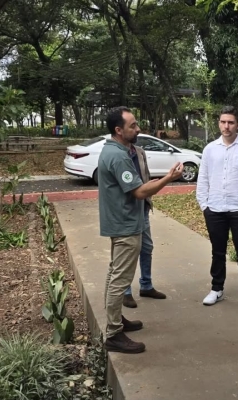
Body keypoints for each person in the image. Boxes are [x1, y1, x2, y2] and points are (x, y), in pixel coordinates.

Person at [98, 106, 182, 353]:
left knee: (115, 273)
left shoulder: (117, 150)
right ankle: (114, 333)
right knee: (120, 279)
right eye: (132, 125)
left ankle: (116, 320)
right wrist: (168, 178)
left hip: (123, 222)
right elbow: (139, 191)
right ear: (118, 130)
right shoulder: (118, 156)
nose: (138, 128)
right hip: (125, 224)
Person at [196, 105, 238, 309]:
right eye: (223, 122)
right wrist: (204, 205)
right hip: (214, 209)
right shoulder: (210, 149)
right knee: (218, 252)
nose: (226, 126)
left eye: (231, 122)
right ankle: (216, 289)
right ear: (219, 123)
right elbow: (203, 178)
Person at [122, 144, 167, 309]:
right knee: (128, 251)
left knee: (146, 247)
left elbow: (145, 178)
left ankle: (146, 285)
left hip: (142, 208)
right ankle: (125, 291)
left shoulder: (139, 152)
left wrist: (148, 201)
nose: (137, 131)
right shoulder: (117, 155)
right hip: (126, 212)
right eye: (133, 129)